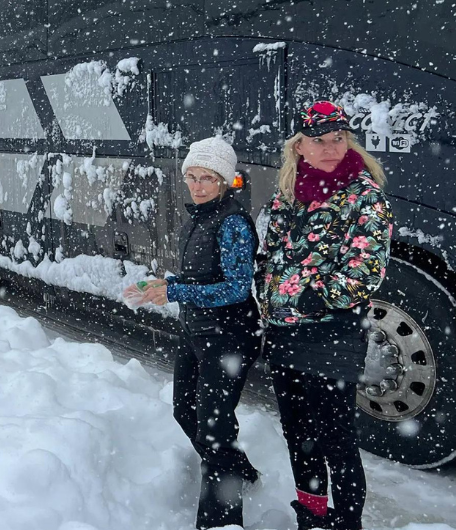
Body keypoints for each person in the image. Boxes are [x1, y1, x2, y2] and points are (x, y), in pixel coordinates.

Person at [257, 101, 392, 530]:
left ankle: (347, 522)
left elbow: (367, 267)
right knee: (299, 435)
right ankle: (312, 517)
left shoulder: (364, 195)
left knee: (337, 439)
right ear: (300, 146)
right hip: (284, 334)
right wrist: (269, 292)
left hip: (331, 335)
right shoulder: (288, 192)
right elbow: (271, 253)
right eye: (320, 140)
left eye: (339, 139)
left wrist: (316, 298)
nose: (332, 148)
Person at [124, 136, 261, 529]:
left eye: (208, 178)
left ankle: (220, 521)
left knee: (215, 428)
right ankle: (241, 473)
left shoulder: (233, 223)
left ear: (224, 181)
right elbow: (201, 277)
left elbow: (237, 287)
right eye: (192, 177)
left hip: (229, 335)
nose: (198, 186)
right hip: (197, 331)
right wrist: (163, 285)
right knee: (185, 410)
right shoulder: (198, 217)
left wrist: (175, 290)